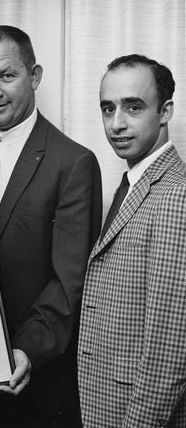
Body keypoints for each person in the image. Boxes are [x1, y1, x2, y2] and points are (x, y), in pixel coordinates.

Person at [0, 25, 102, 428]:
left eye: (7, 76)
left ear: (35, 76)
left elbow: (69, 281)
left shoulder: (73, 162)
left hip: (32, 379)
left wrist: (26, 351)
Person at [78, 54, 186, 427]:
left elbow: (169, 352)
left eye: (133, 107)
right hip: (106, 405)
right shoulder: (133, 185)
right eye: (108, 109)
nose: (117, 124)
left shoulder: (175, 196)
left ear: (166, 111)